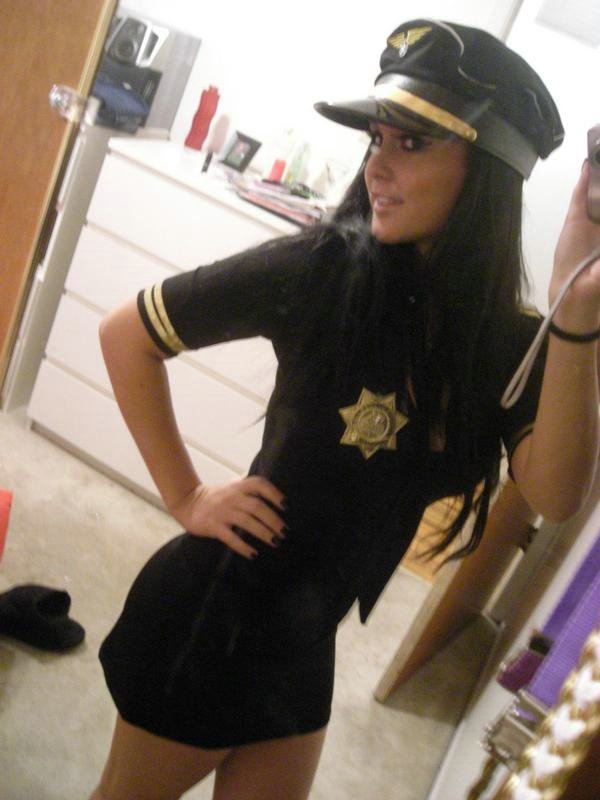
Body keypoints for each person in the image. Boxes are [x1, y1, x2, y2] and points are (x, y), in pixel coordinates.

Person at [90, 19, 600, 800]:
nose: (376, 168)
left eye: (411, 144)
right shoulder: (323, 269)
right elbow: (126, 335)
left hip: (305, 638)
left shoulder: (511, 343)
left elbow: (557, 497)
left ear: (491, 172)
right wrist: (186, 494)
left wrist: (580, 301)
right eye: (376, 140)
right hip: (216, 613)